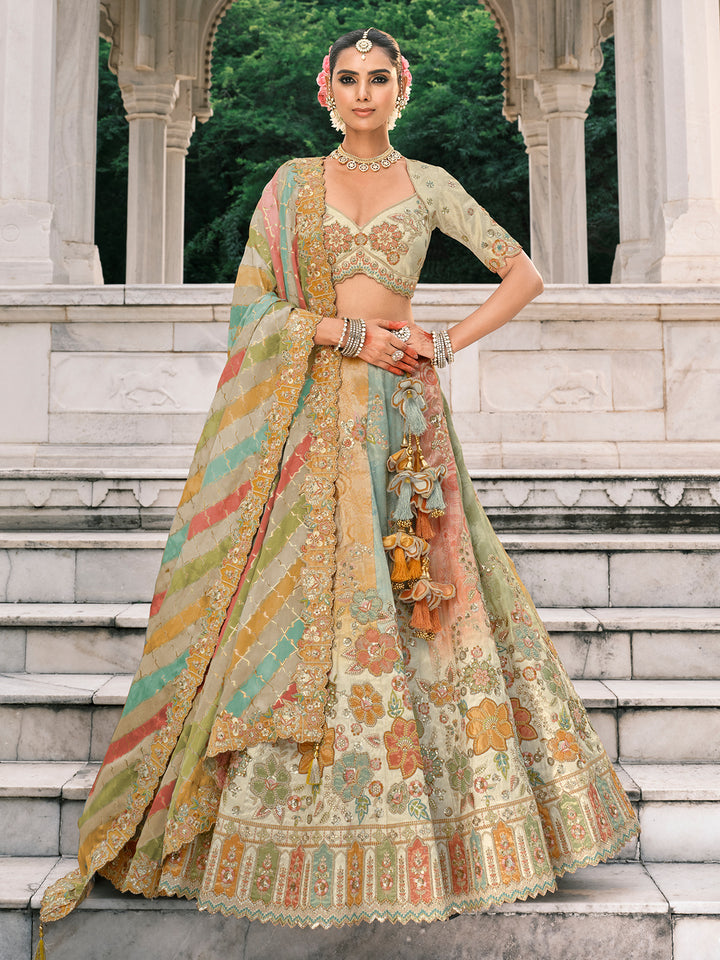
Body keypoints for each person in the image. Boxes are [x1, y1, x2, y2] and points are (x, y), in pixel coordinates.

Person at [40, 27, 638, 936]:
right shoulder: (291, 186)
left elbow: (524, 273)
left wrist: (444, 341)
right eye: (350, 80)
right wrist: (345, 336)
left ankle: (459, 828)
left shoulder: (428, 183)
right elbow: (252, 307)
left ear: (403, 89)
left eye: (379, 80)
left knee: (426, 595)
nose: (364, 94)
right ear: (327, 90)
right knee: (303, 597)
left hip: (404, 423)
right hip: (312, 415)